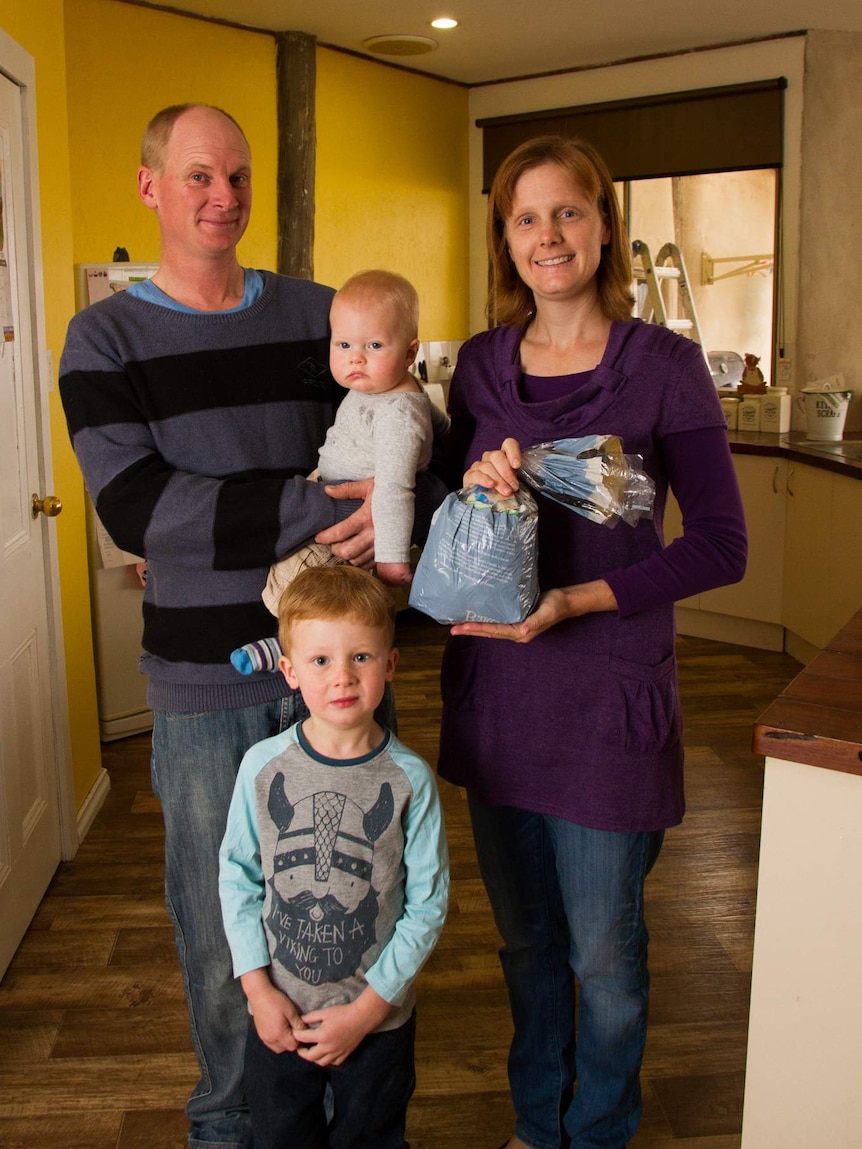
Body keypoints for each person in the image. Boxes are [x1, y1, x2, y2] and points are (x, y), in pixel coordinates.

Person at [58, 104, 445, 1149]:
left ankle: (354, 1118)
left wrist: (404, 493)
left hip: (341, 671)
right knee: (227, 921)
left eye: (235, 177)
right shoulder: (104, 337)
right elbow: (139, 508)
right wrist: (323, 507)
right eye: (196, 177)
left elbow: (410, 437)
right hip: (202, 687)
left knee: (367, 901)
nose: (221, 197)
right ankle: (235, 1125)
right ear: (150, 188)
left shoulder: (323, 314)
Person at [436, 135, 748, 1149]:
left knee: (604, 954)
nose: (548, 234)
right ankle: (538, 1124)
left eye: (567, 211)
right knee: (527, 945)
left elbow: (719, 545)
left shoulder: (662, 366)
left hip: (609, 704)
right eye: (525, 217)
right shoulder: (480, 367)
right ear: (504, 238)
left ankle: (601, 1127)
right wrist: (465, 486)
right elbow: (452, 511)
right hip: (498, 698)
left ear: (603, 224)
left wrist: (576, 602)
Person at [219, 564, 449, 1148]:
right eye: (321, 661)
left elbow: (427, 905)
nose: (342, 677)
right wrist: (257, 992)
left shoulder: (410, 780)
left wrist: (370, 1010)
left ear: (391, 664)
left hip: (377, 1022)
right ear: (291, 672)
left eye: (362, 658)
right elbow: (238, 878)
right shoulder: (261, 768)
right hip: (281, 1016)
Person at [231, 268, 445, 676]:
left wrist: (393, 558)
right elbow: (437, 422)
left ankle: (284, 647)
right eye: (343, 344)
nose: (355, 358)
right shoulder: (387, 389)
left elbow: (396, 489)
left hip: (347, 521)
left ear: (410, 352)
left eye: (374, 345)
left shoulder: (398, 414)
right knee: (316, 591)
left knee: (299, 582)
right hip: (328, 492)